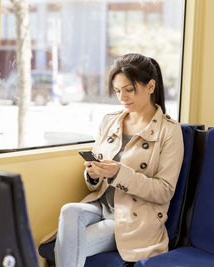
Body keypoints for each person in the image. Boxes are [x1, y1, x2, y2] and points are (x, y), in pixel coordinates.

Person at [40, 53, 184, 267]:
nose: (122, 97)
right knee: (69, 210)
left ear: (151, 86)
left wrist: (118, 173)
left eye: (129, 90)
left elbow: (164, 190)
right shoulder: (110, 121)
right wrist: (93, 174)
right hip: (100, 206)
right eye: (117, 91)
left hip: (132, 219)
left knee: (68, 245)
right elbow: (95, 179)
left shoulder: (169, 132)